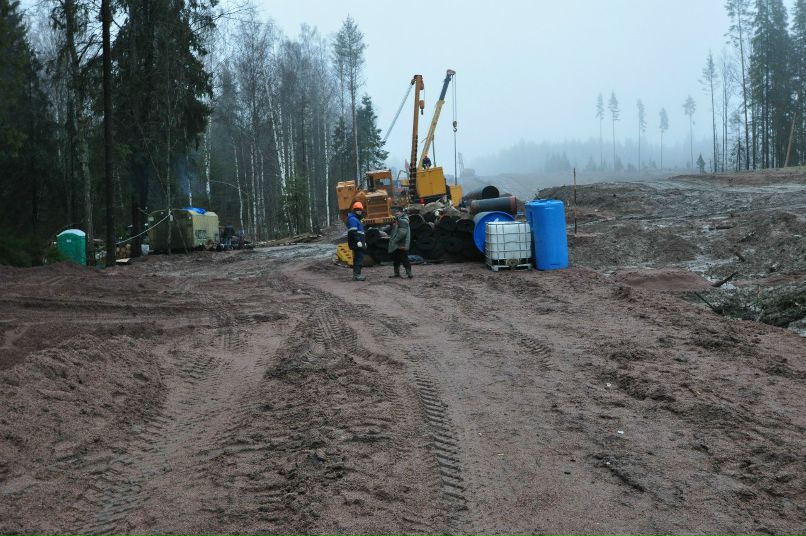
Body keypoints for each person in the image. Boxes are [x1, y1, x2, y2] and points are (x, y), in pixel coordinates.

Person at [387, 208, 412, 278]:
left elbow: (402, 233)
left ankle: (409, 273)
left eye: (398, 212)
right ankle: (397, 273)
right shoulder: (398, 219)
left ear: (401, 212)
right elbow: (394, 228)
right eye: (395, 212)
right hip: (398, 243)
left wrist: (394, 240)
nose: (396, 213)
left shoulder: (404, 220)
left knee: (404, 258)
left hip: (401, 243)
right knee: (396, 258)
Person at [346, 201, 367, 281]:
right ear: (354, 210)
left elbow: (360, 232)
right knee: (358, 258)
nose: (359, 211)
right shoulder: (353, 219)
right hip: (356, 243)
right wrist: (358, 241)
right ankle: (357, 275)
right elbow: (353, 232)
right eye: (358, 209)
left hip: (359, 242)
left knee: (358, 258)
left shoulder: (356, 219)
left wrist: (363, 241)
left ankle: (356, 275)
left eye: (360, 210)